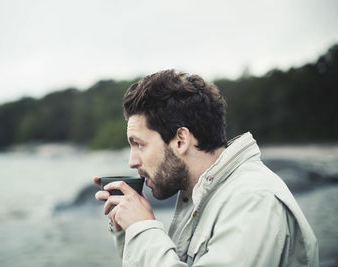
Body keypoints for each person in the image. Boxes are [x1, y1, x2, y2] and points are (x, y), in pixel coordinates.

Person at [94, 69, 318, 266]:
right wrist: (128, 231)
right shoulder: (201, 195)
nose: (132, 162)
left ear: (181, 140)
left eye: (139, 144)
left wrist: (143, 229)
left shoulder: (254, 201)